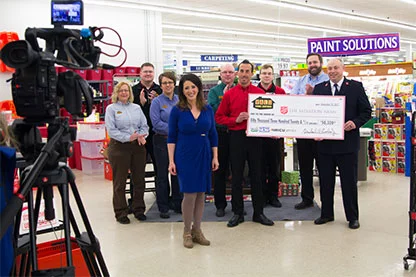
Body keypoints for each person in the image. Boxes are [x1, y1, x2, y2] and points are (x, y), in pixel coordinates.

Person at [312, 58, 371, 229]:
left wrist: (355, 122)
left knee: (349, 182)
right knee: (325, 182)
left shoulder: (355, 87)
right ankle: (326, 214)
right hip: (325, 145)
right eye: (329, 68)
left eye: (335, 68)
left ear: (343, 69)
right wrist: (314, 130)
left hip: (347, 145)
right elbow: (313, 114)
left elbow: (366, 111)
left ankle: (352, 217)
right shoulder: (319, 89)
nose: (332, 71)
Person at [216, 59, 274, 227]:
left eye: (247, 71)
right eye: (241, 71)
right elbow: (219, 117)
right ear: (237, 73)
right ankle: (237, 213)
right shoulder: (229, 94)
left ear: (252, 73)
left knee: (257, 175)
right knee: (237, 176)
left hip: (256, 138)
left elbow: (270, 116)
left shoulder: (259, 93)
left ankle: (259, 212)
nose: (244, 74)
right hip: (236, 137)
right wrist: (235, 120)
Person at [168, 73, 219, 249]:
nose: (190, 90)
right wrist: (171, 161)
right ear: (182, 91)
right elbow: (171, 137)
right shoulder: (177, 110)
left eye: (193, 86)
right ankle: (187, 231)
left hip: (204, 153)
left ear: (199, 87)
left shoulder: (207, 109)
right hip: (184, 155)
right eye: (186, 88)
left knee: (201, 194)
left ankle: (198, 230)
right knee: (189, 194)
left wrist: (215, 157)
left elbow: (213, 134)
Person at [105, 81, 149, 224]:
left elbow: (144, 125)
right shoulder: (111, 109)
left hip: (137, 147)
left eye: (127, 90)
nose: (124, 93)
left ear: (130, 93)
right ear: (116, 93)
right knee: (120, 182)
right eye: (121, 90)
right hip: (119, 148)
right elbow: (111, 130)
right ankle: (121, 212)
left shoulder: (136, 108)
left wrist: (141, 135)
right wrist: (128, 137)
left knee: (139, 180)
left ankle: (139, 209)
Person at [291, 53, 329, 210]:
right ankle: (307, 198)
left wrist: (314, 94)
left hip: (322, 131)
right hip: (304, 131)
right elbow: (293, 99)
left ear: (320, 63)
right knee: (305, 167)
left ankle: (326, 202)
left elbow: (332, 102)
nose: (312, 65)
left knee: (324, 168)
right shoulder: (301, 81)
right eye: (309, 63)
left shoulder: (328, 80)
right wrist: (305, 96)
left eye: (315, 62)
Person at [150, 72, 182, 219]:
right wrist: (175, 128)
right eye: (164, 83)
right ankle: (163, 206)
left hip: (178, 141)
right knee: (163, 174)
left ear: (174, 84)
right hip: (161, 141)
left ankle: (178, 203)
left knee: (177, 173)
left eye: (170, 82)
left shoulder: (179, 100)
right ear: (161, 85)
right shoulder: (156, 102)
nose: (168, 85)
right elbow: (156, 124)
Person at [207, 63, 236, 217]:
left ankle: (237, 204)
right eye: (224, 72)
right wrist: (225, 99)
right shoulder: (214, 92)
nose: (227, 75)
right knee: (219, 171)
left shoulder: (240, 89)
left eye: (230, 72)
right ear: (220, 74)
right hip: (220, 134)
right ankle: (220, 205)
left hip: (237, 134)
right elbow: (213, 112)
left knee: (237, 171)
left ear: (235, 74)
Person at [258, 64, 285, 208]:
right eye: (264, 73)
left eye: (269, 73)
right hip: (258, 138)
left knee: (274, 168)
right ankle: (261, 197)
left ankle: (273, 196)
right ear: (260, 75)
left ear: (273, 76)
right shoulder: (254, 91)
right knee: (260, 169)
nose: (267, 75)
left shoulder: (280, 92)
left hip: (275, 138)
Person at [132, 62, 162, 175]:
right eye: (145, 71)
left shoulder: (160, 90)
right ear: (140, 73)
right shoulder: (133, 90)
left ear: (154, 73)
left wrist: (156, 102)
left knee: (159, 166)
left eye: (150, 71)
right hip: (139, 134)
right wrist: (141, 104)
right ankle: (136, 192)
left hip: (156, 133)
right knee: (137, 167)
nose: (148, 74)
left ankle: (161, 192)